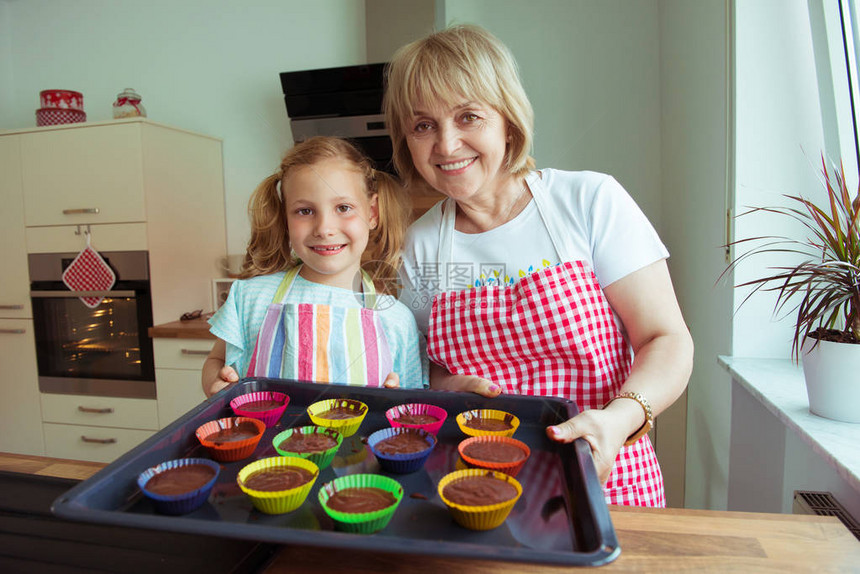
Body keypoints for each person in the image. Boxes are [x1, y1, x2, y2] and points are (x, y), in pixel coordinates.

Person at [384, 25, 693, 506]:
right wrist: (447, 384)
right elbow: (422, 365)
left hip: (605, 472)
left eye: (468, 116)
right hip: (475, 486)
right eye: (423, 125)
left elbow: (666, 339)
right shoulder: (420, 244)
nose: (446, 145)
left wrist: (618, 419)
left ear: (507, 120)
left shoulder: (588, 201)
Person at [202, 136, 427, 398]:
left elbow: (413, 402)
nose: (324, 229)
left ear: (372, 213)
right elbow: (216, 361)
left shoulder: (396, 319)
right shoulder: (250, 298)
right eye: (305, 211)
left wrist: (395, 398)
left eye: (343, 207)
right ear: (285, 217)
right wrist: (216, 384)